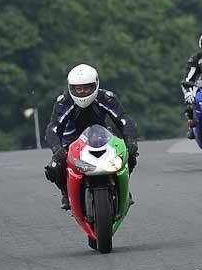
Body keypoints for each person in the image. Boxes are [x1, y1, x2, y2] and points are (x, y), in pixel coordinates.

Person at [44, 64, 139, 210]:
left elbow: (124, 120)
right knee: (54, 167)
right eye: (78, 88)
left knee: (129, 155)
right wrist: (57, 148)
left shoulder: (106, 98)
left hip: (101, 137)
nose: (82, 92)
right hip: (71, 141)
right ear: (71, 88)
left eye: (87, 87)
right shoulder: (64, 101)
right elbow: (53, 127)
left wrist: (131, 140)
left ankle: (123, 189)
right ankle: (65, 193)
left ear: (95, 85)